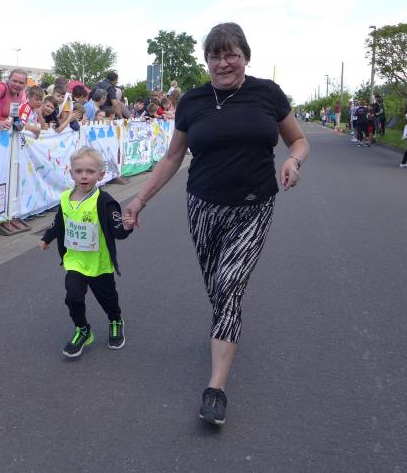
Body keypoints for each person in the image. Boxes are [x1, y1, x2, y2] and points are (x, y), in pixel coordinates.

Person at [123, 22, 309, 426]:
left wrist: (293, 161)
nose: (223, 63)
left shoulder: (268, 94)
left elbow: (298, 140)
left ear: (245, 57)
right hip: (203, 206)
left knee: (228, 286)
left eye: (231, 55)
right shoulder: (193, 100)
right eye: (215, 56)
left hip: (253, 207)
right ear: (206, 60)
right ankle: (226, 325)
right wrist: (139, 200)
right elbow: (173, 157)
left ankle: (216, 389)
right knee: (217, 287)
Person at [38, 147, 132, 358]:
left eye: (90, 171)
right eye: (79, 171)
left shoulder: (104, 201)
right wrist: (47, 237)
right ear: (71, 173)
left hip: (100, 263)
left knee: (108, 299)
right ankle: (82, 329)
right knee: (73, 297)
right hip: (75, 261)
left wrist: (126, 226)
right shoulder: (65, 198)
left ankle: (115, 320)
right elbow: (60, 222)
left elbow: (117, 230)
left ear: (100, 174)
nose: (84, 176)